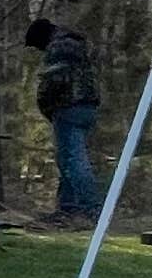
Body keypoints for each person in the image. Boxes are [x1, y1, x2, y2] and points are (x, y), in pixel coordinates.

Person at [24, 14, 103, 217]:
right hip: (86, 105)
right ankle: (69, 207)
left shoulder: (58, 48)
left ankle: (89, 208)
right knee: (68, 158)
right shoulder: (77, 45)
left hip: (68, 106)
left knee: (74, 159)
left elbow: (54, 81)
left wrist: (46, 106)